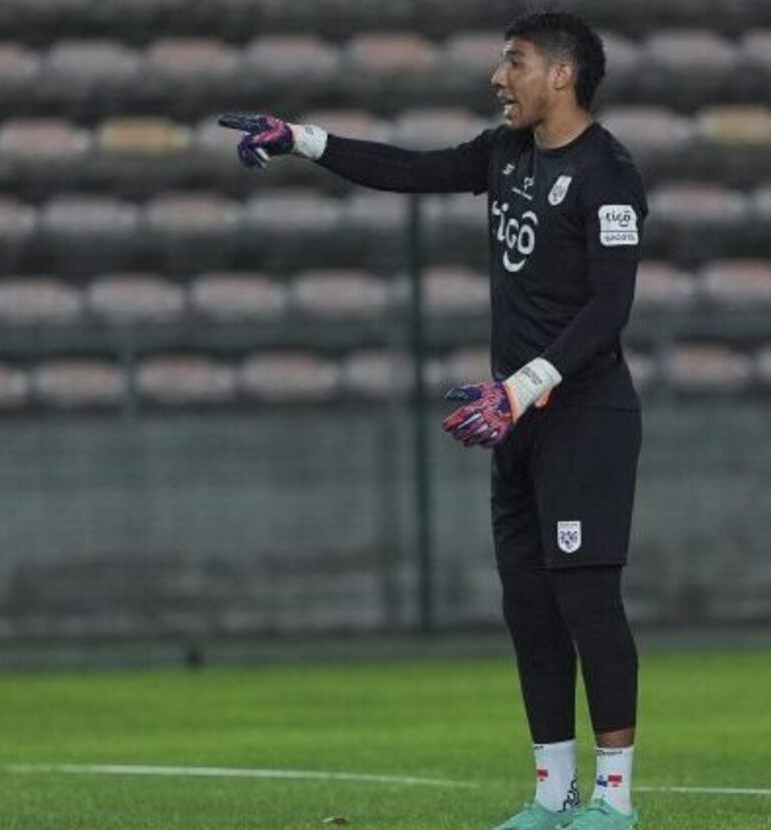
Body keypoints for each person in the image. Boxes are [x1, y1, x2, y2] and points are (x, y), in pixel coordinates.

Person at [221, 11, 646, 829]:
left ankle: (615, 801)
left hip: (583, 417)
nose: (498, 77)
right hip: (511, 421)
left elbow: (610, 306)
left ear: (561, 74)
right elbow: (409, 170)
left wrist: (523, 386)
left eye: (514, 63)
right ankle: (553, 795)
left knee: (589, 604)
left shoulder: (608, 172)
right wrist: (303, 140)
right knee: (528, 607)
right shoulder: (505, 154)